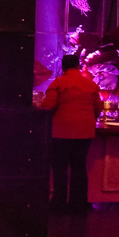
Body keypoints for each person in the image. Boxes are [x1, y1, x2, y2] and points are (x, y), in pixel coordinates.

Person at [41, 54, 102, 213]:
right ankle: (79, 205)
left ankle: (59, 204)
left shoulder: (59, 83)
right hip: (85, 132)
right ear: (78, 66)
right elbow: (98, 108)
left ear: (63, 67)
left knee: (60, 168)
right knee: (79, 167)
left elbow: (48, 106)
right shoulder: (90, 84)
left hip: (61, 131)